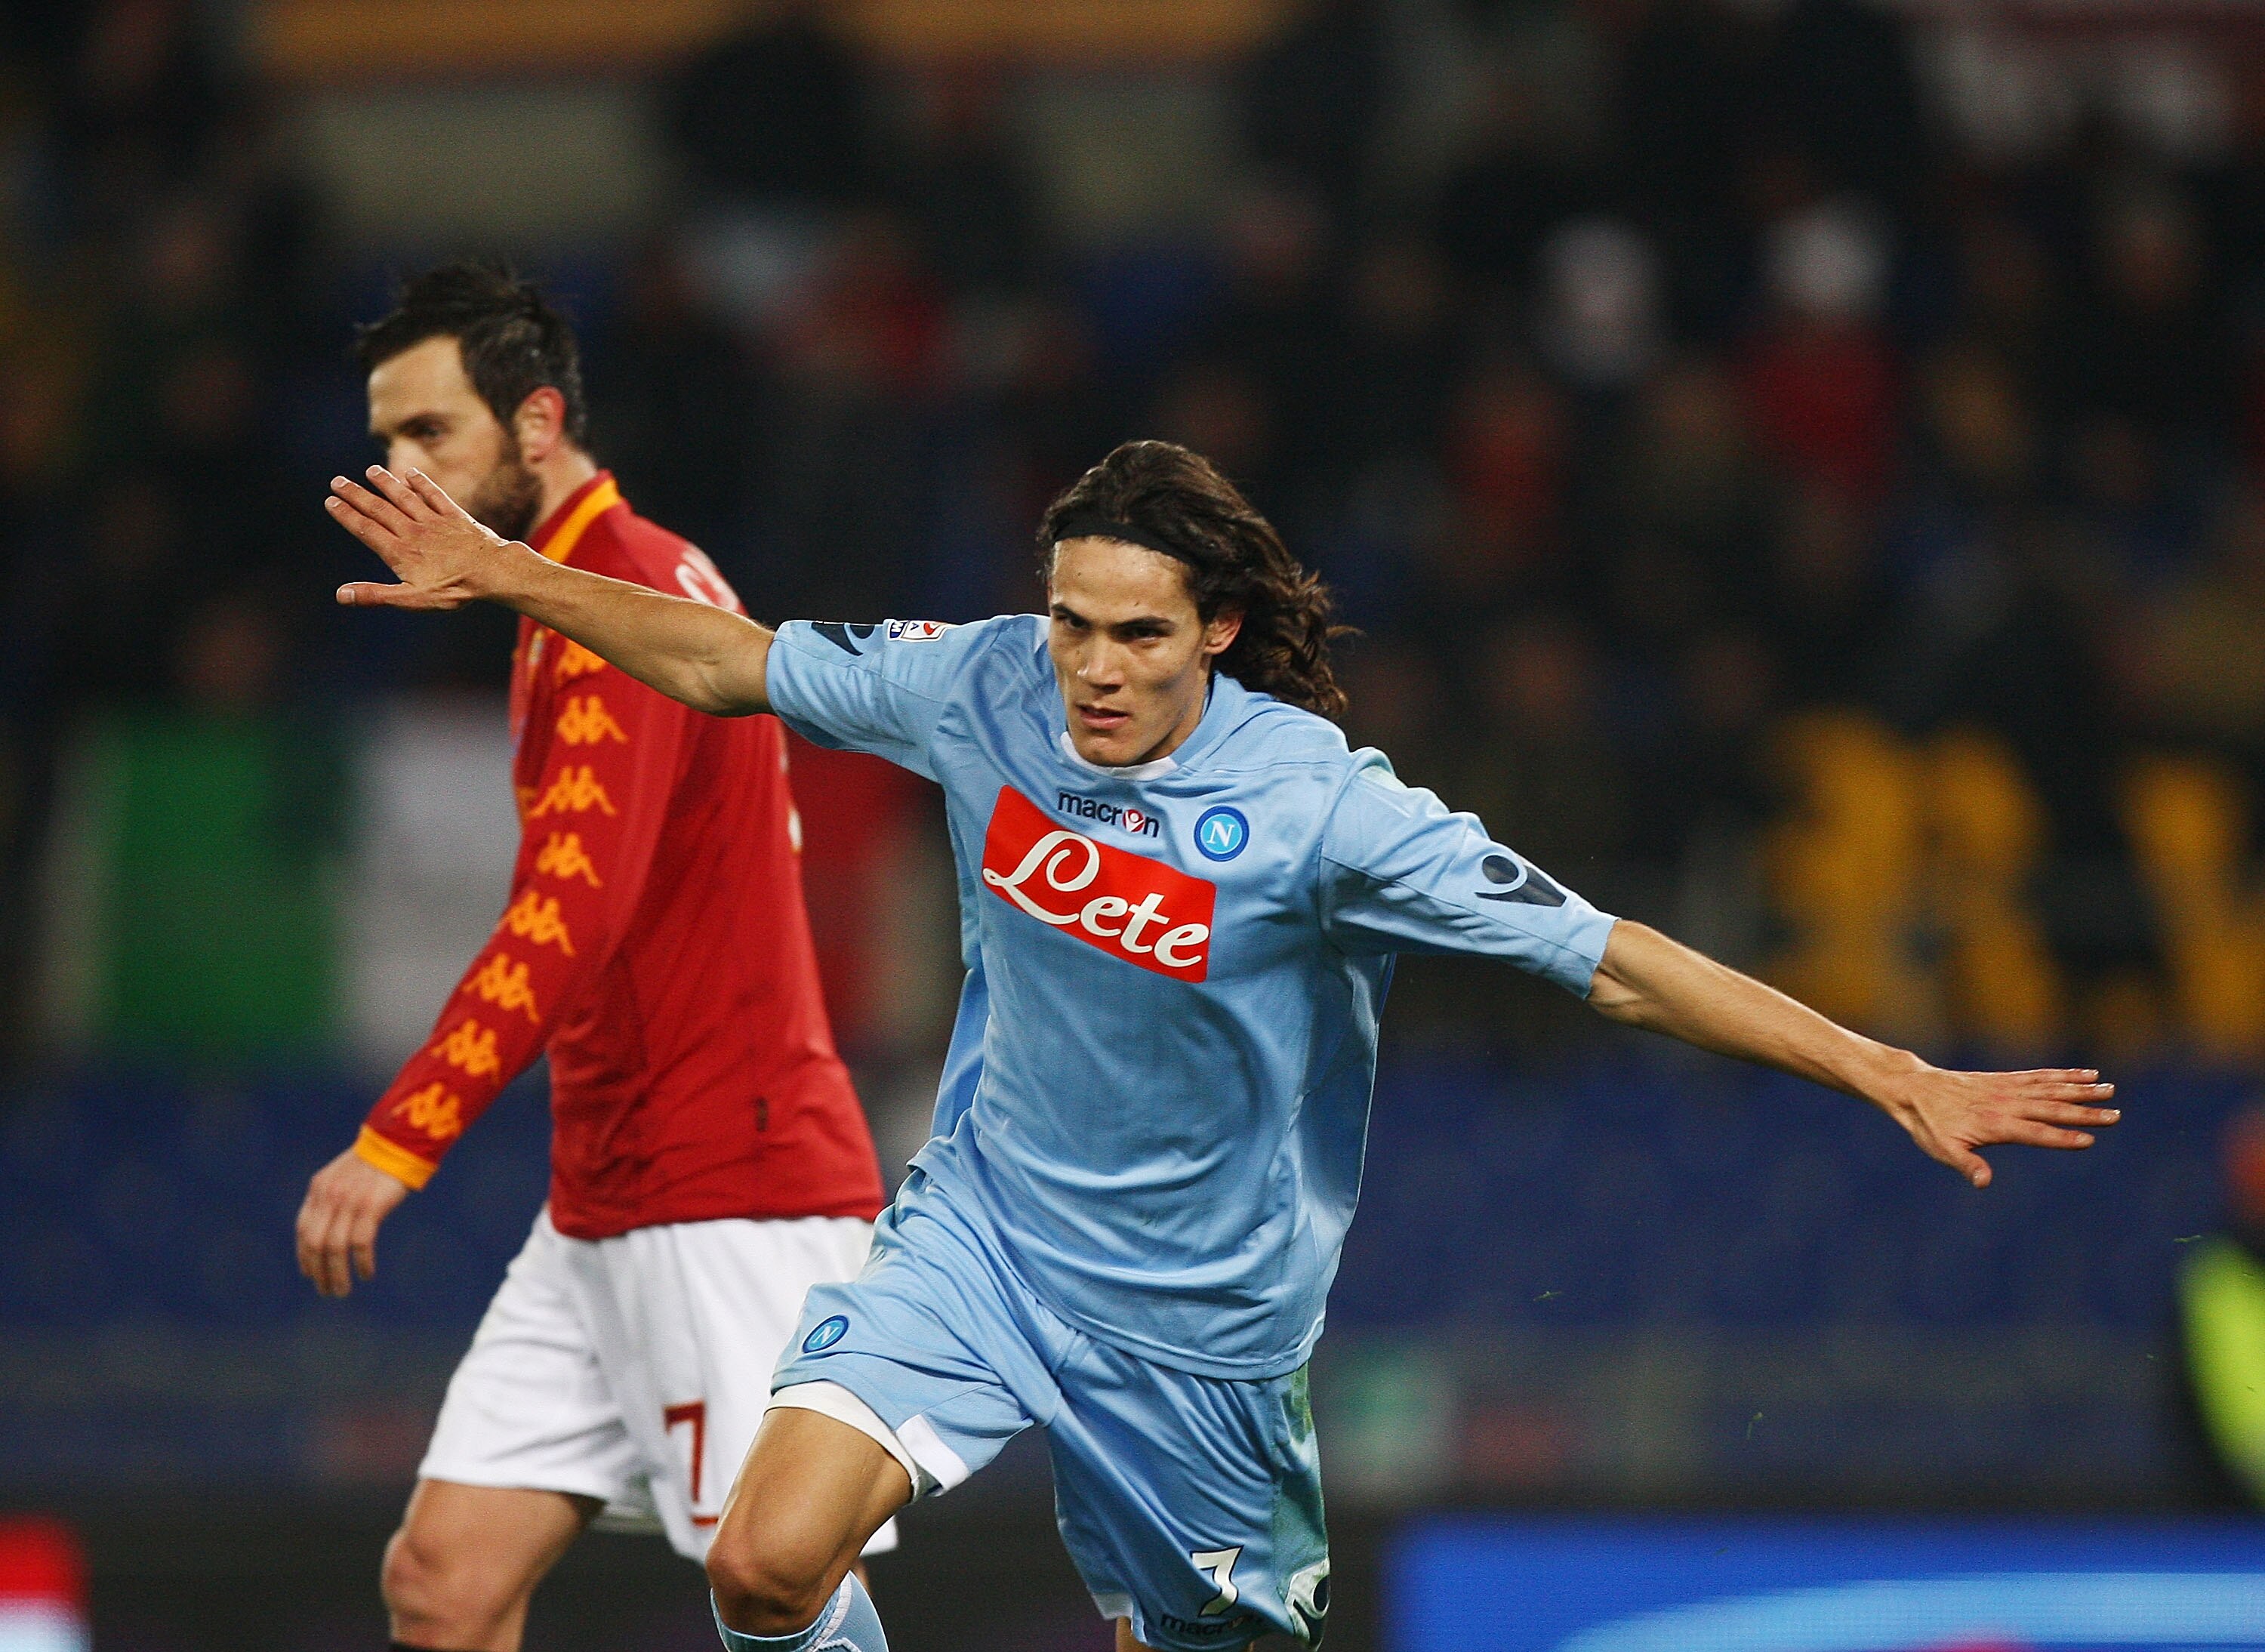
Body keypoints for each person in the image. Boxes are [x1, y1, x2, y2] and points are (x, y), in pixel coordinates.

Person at [321, 438, 2122, 1652]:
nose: (1091, 668)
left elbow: (1618, 964)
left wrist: (1893, 1065)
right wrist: (503, 571)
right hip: (983, 1241)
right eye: (1072, 623)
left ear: (1219, 633)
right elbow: (725, 661)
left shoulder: (1324, 808)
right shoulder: (981, 685)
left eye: (1137, 636)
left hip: (1202, 1334)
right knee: (769, 1555)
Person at [293, 263, 893, 1652]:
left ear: (539, 422)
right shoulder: (605, 592)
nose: (399, 471)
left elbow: (573, 910)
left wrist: (398, 1137)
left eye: (430, 433)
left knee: (781, 1589)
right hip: (611, 1187)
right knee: (443, 1582)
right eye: (383, 440)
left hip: (724, 1185)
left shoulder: (616, 598)